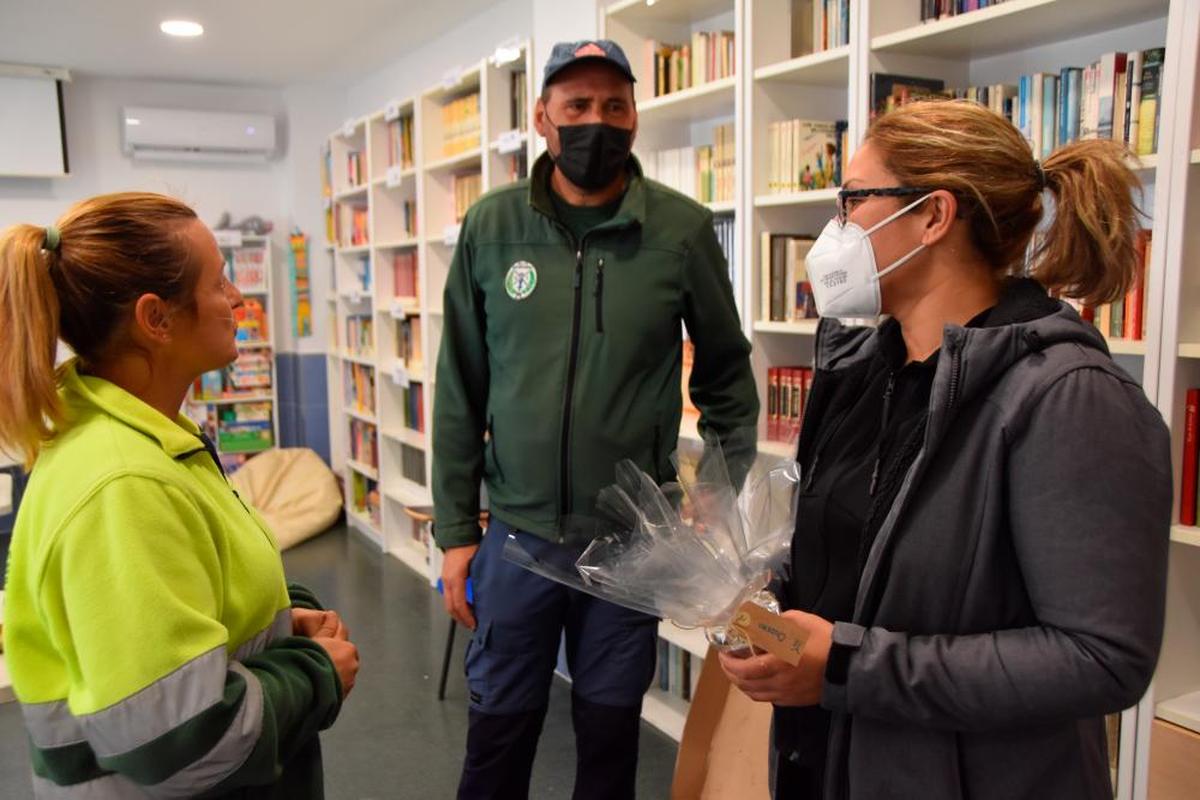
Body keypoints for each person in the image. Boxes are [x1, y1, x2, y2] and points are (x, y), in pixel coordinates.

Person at [719, 99, 1172, 800]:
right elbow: (853, 558)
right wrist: (768, 612)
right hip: (830, 764)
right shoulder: (858, 370)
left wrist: (843, 667)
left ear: (932, 216)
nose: (834, 229)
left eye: (852, 201)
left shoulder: (1068, 397)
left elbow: (1102, 657)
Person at [433, 40, 759, 799]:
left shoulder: (679, 231)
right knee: (498, 734)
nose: (596, 122)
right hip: (517, 538)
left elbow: (727, 377)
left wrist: (720, 482)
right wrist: (456, 534)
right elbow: (459, 387)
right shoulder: (492, 227)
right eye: (576, 106)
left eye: (614, 105)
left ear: (636, 118)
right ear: (542, 116)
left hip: (630, 547)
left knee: (610, 739)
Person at [0, 192, 361, 799]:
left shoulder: (150, 438)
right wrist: (316, 671)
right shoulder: (123, 486)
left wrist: (276, 624)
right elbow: (182, 742)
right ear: (156, 319)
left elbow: (188, 595)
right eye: (219, 283)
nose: (239, 300)